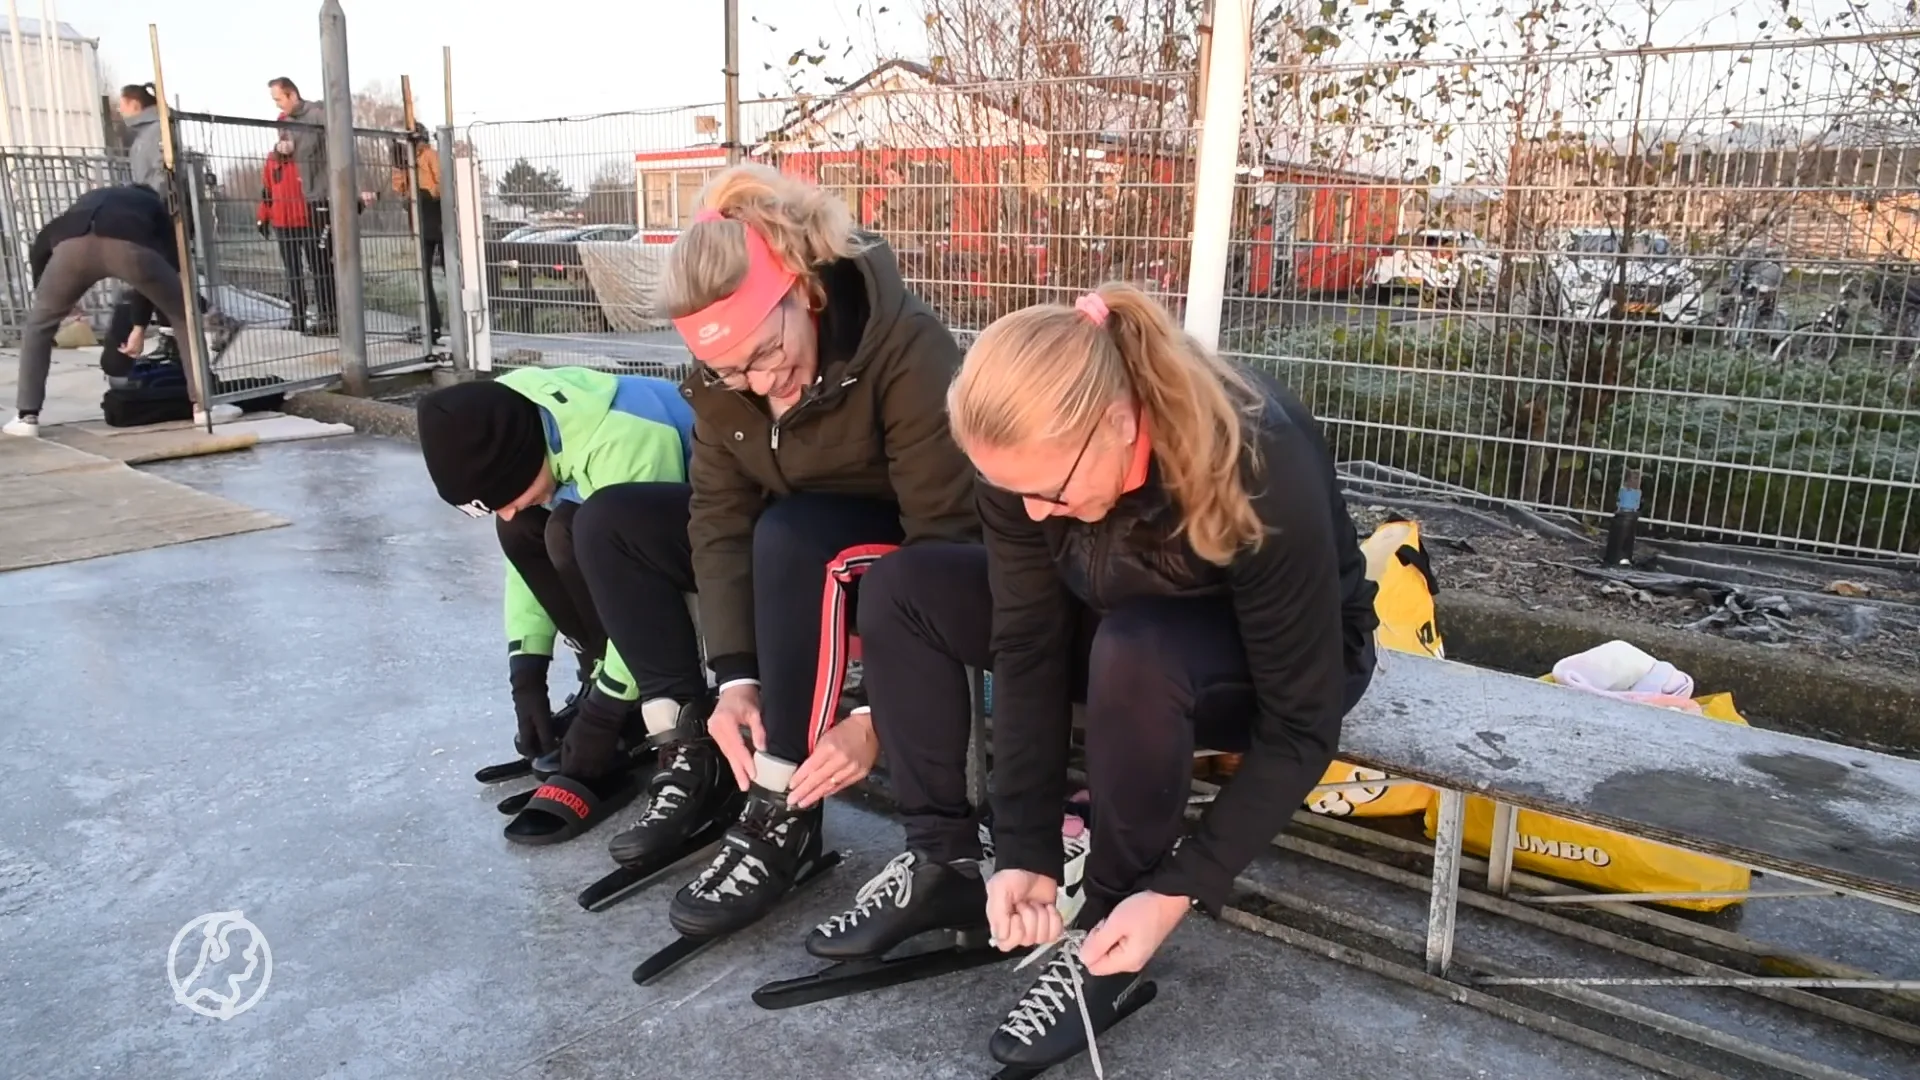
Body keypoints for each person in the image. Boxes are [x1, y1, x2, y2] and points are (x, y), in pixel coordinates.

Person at [842, 282, 1379, 1072]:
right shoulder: (1028, 468)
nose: (1028, 515)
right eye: (1009, 491)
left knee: (1137, 651)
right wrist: (1024, 847)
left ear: (1120, 423)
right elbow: (1027, 643)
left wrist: (1176, 890)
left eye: (1047, 492)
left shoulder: (1255, 457)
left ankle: (1107, 927)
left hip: (1267, 664)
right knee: (904, 587)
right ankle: (951, 863)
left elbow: (1303, 723)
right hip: (1116, 613)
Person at [566, 163, 975, 938]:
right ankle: (697, 752)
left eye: (764, 352)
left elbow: (946, 541)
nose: (755, 385)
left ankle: (782, 804)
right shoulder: (732, 383)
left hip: (901, 560)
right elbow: (718, 518)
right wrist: (735, 680)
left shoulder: (906, 347)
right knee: (608, 522)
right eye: (726, 370)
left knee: (790, 536)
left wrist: (876, 717)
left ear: (804, 290)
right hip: (787, 551)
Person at [414, 366, 695, 843]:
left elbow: (640, 576)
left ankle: (646, 703)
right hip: (629, 551)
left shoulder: (626, 436)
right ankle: (609, 689)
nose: (501, 509)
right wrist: (527, 674)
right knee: (522, 527)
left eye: (502, 495)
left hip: (707, 549)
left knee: (570, 529)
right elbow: (525, 565)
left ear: (521, 456)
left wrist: (605, 714)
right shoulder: (521, 417)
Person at [5, 185, 240, 438]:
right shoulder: (153, 207)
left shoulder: (86, 201)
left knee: (38, 327)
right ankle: (204, 408)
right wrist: (138, 326)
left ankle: (26, 416)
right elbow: (163, 270)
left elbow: (41, 244)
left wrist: (47, 292)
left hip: (70, 252)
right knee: (184, 316)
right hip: (129, 250)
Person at [267, 77, 336, 334]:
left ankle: (330, 316)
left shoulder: (317, 115)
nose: (277, 106)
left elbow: (335, 148)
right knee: (298, 266)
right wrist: (280, 149)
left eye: (279, 99)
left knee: (320, 262)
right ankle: (305, 315)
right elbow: (277, 161)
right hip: (299, 199)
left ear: (292, 95)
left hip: (319, 197)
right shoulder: (284, 124)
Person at [256, 130, 322, 335]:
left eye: (289, 139)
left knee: (318, 269)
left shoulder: (308, 158)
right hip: (283, 223)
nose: (285, 144)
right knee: (293, 272)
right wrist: (263, 217)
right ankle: (298, 318)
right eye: (282, 139)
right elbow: (267, 191)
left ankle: (326, 316)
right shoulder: (272, 161)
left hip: (309, 221)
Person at [390, 123, 444, 346]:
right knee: (423, 275)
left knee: (453, 273)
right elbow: (399, 188)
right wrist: (400, 168)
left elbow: (440, 186)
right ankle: (431, 325)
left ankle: (464, 326)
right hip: (419, 219)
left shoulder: (430, 156)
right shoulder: (405, 163)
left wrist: (424, 190)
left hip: (437, 217)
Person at [119, 84, 168, 204]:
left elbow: (163, 173)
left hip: (156, 205)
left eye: (122, 105)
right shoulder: (143, 134)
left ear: (135, 105)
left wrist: (151, 201)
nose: (120, 110)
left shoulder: (156, 130)